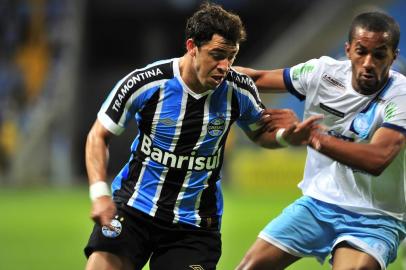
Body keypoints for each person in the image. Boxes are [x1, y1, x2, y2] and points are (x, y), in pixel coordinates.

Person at [83, 3, 319, 270]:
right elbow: (98, 135)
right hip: (134, 207)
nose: (224, 66)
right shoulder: (146, 83)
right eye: (217, 55)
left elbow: (260, 135)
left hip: (193, 224)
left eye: (231, 57)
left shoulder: (239, 90)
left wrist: (287, 137)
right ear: (192, 47)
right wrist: (100, 194)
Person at [235, 11, 406, 270]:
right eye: (361, 51)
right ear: (348, 50)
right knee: (250, 267)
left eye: (380, 54)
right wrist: (196, 69)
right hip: (318, 204)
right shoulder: (322, 73)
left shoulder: (400, 96)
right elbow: (254, 79)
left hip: (375, 216)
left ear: (393, 56)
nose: (369, 62)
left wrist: (311, 137)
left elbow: (377, 158)